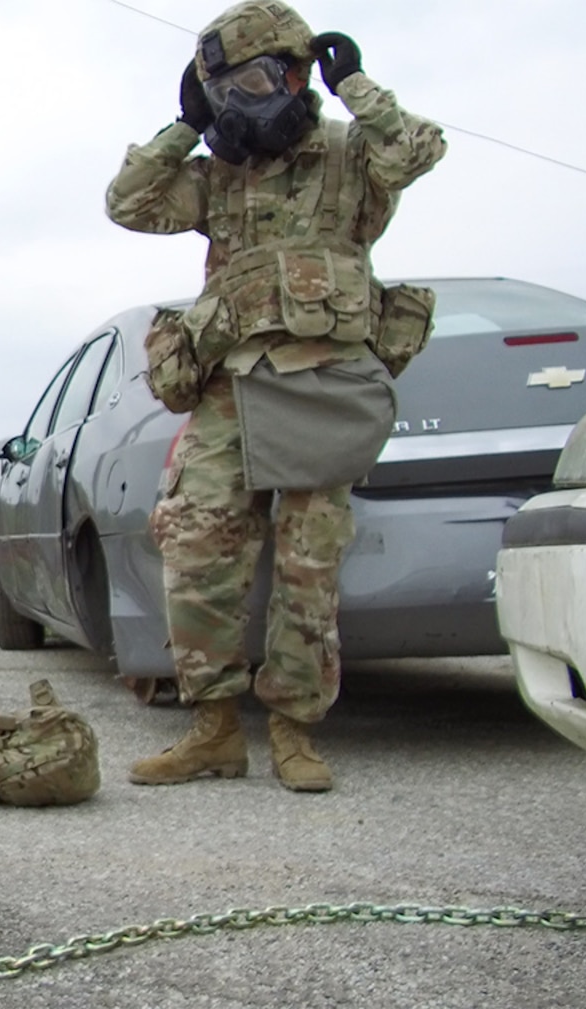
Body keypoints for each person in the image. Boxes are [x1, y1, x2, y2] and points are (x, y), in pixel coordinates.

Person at [105, 1, 445, 792]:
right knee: (194, 548)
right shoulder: (221, 175)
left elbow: (419, 148)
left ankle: (295, 730)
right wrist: (182, 126)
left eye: (259, 79)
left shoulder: (348, 155)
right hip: (231, 387)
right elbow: (128, 204)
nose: (245, 102)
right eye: (226, 91)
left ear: (298, 74)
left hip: (325, 384)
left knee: (308, 566)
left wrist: (356, 84)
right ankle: (215, 729)